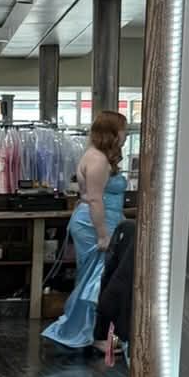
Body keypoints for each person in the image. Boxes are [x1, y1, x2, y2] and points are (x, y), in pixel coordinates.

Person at [43, 110, 128, 351]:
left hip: (102, 221)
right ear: (111, 132)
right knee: (98, 279)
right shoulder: (98, 160)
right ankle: (94, 334)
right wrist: (103, 234)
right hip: (94, 224)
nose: (125, 134)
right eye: (122, 129)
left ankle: (93, 331)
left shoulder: (98, 157)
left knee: (96, 278)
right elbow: (95, 200)